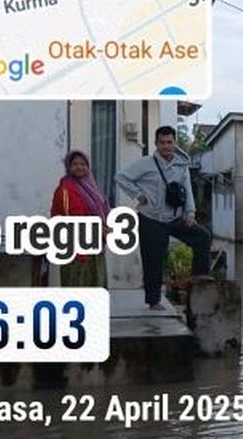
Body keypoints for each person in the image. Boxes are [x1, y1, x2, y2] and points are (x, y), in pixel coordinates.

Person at [115, 126, 211, 310]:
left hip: (175, 217)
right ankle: (153, 301)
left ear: (175, 143)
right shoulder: (146, 163)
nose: (166, 146)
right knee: (153, 260)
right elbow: (121, 177)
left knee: (203, 237)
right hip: (151, 219)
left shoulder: (181, 165)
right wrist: (138, 195)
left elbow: (188, 189)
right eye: (162, 143)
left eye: (169, 142)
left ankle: (200, 279)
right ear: (156, 144)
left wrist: (190, 213)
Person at [50, 150, 110, 287]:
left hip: (94, 246)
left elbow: (102, 209)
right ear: (68, 167)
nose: (79, 167)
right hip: (75, 247)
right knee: (77, 285)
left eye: (83, 164)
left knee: (95, 284)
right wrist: (98, 230)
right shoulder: (66, 188)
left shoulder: (91, 187)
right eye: (75, 164)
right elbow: (72, 217)